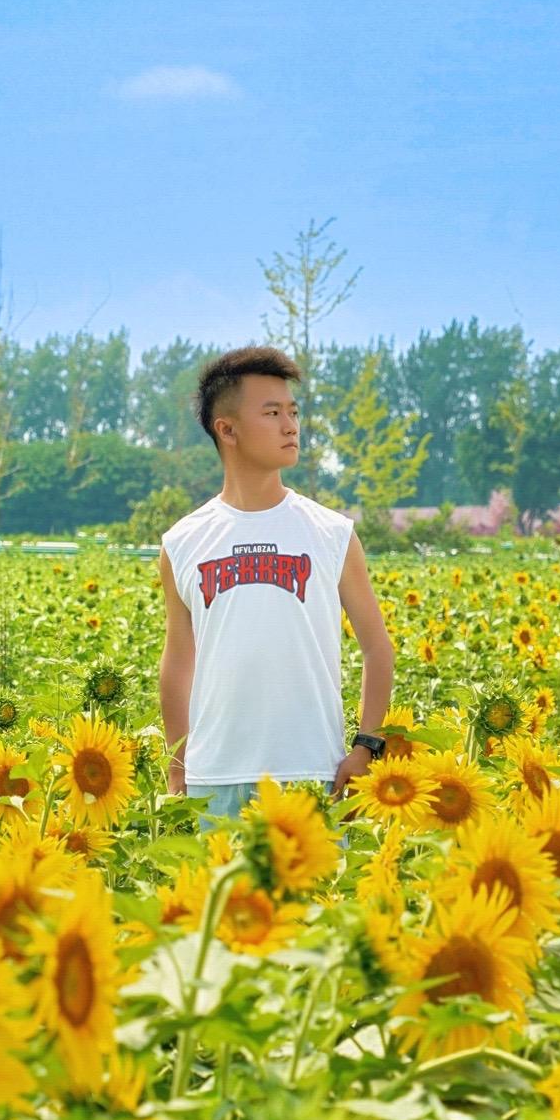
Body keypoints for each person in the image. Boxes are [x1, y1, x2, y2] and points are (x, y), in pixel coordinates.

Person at [157, 344, 395, 833]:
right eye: (272, 413)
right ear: (227, 429)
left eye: (293, 412)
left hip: (312, 771)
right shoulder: (182, 542)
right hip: (213, 778)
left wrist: (367, 744)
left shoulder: (332, 533)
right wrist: (178, 763)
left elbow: (377, 648)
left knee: (316, 909)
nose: (291, 426)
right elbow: (178, 661)